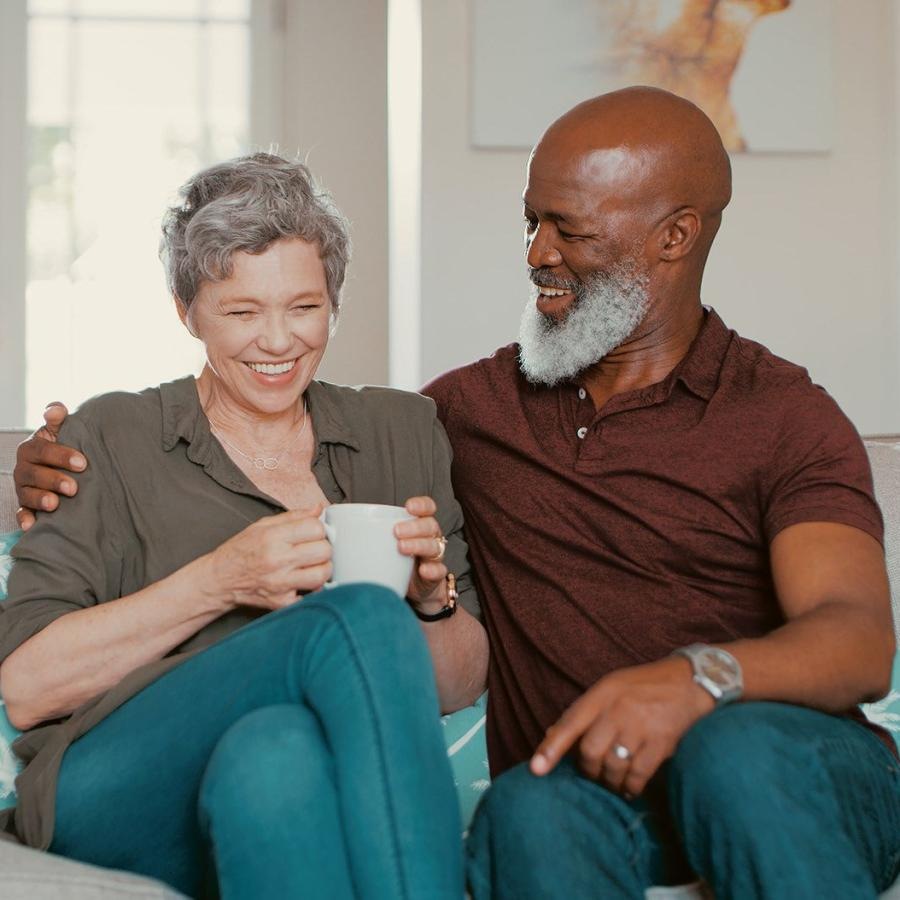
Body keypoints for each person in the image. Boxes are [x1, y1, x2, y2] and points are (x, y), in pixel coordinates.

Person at [16, 87, 900, 899]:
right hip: (571, 783)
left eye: (568, 229)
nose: (536, 254)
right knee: (511, 796)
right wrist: (46, 465)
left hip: (761, 754)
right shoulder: (468, 413)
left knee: (726, 755)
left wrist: (695, 680)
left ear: (675, 235)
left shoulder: (778, 413)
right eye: (530, 223)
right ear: (189, 310)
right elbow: (27, 679)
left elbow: (859, 637)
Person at [2, 153, 488, 900]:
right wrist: (221, 579)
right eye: (241, 312)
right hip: (113, 786)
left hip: (277, 772)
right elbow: (29, 688)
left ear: (334, 302)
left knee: (274, 757)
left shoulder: (402, 431)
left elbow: (460, 682)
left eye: (304, 307)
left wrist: (430, 601)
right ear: (186, 309)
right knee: (354, 615)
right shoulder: (110, 435)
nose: (277, 341)